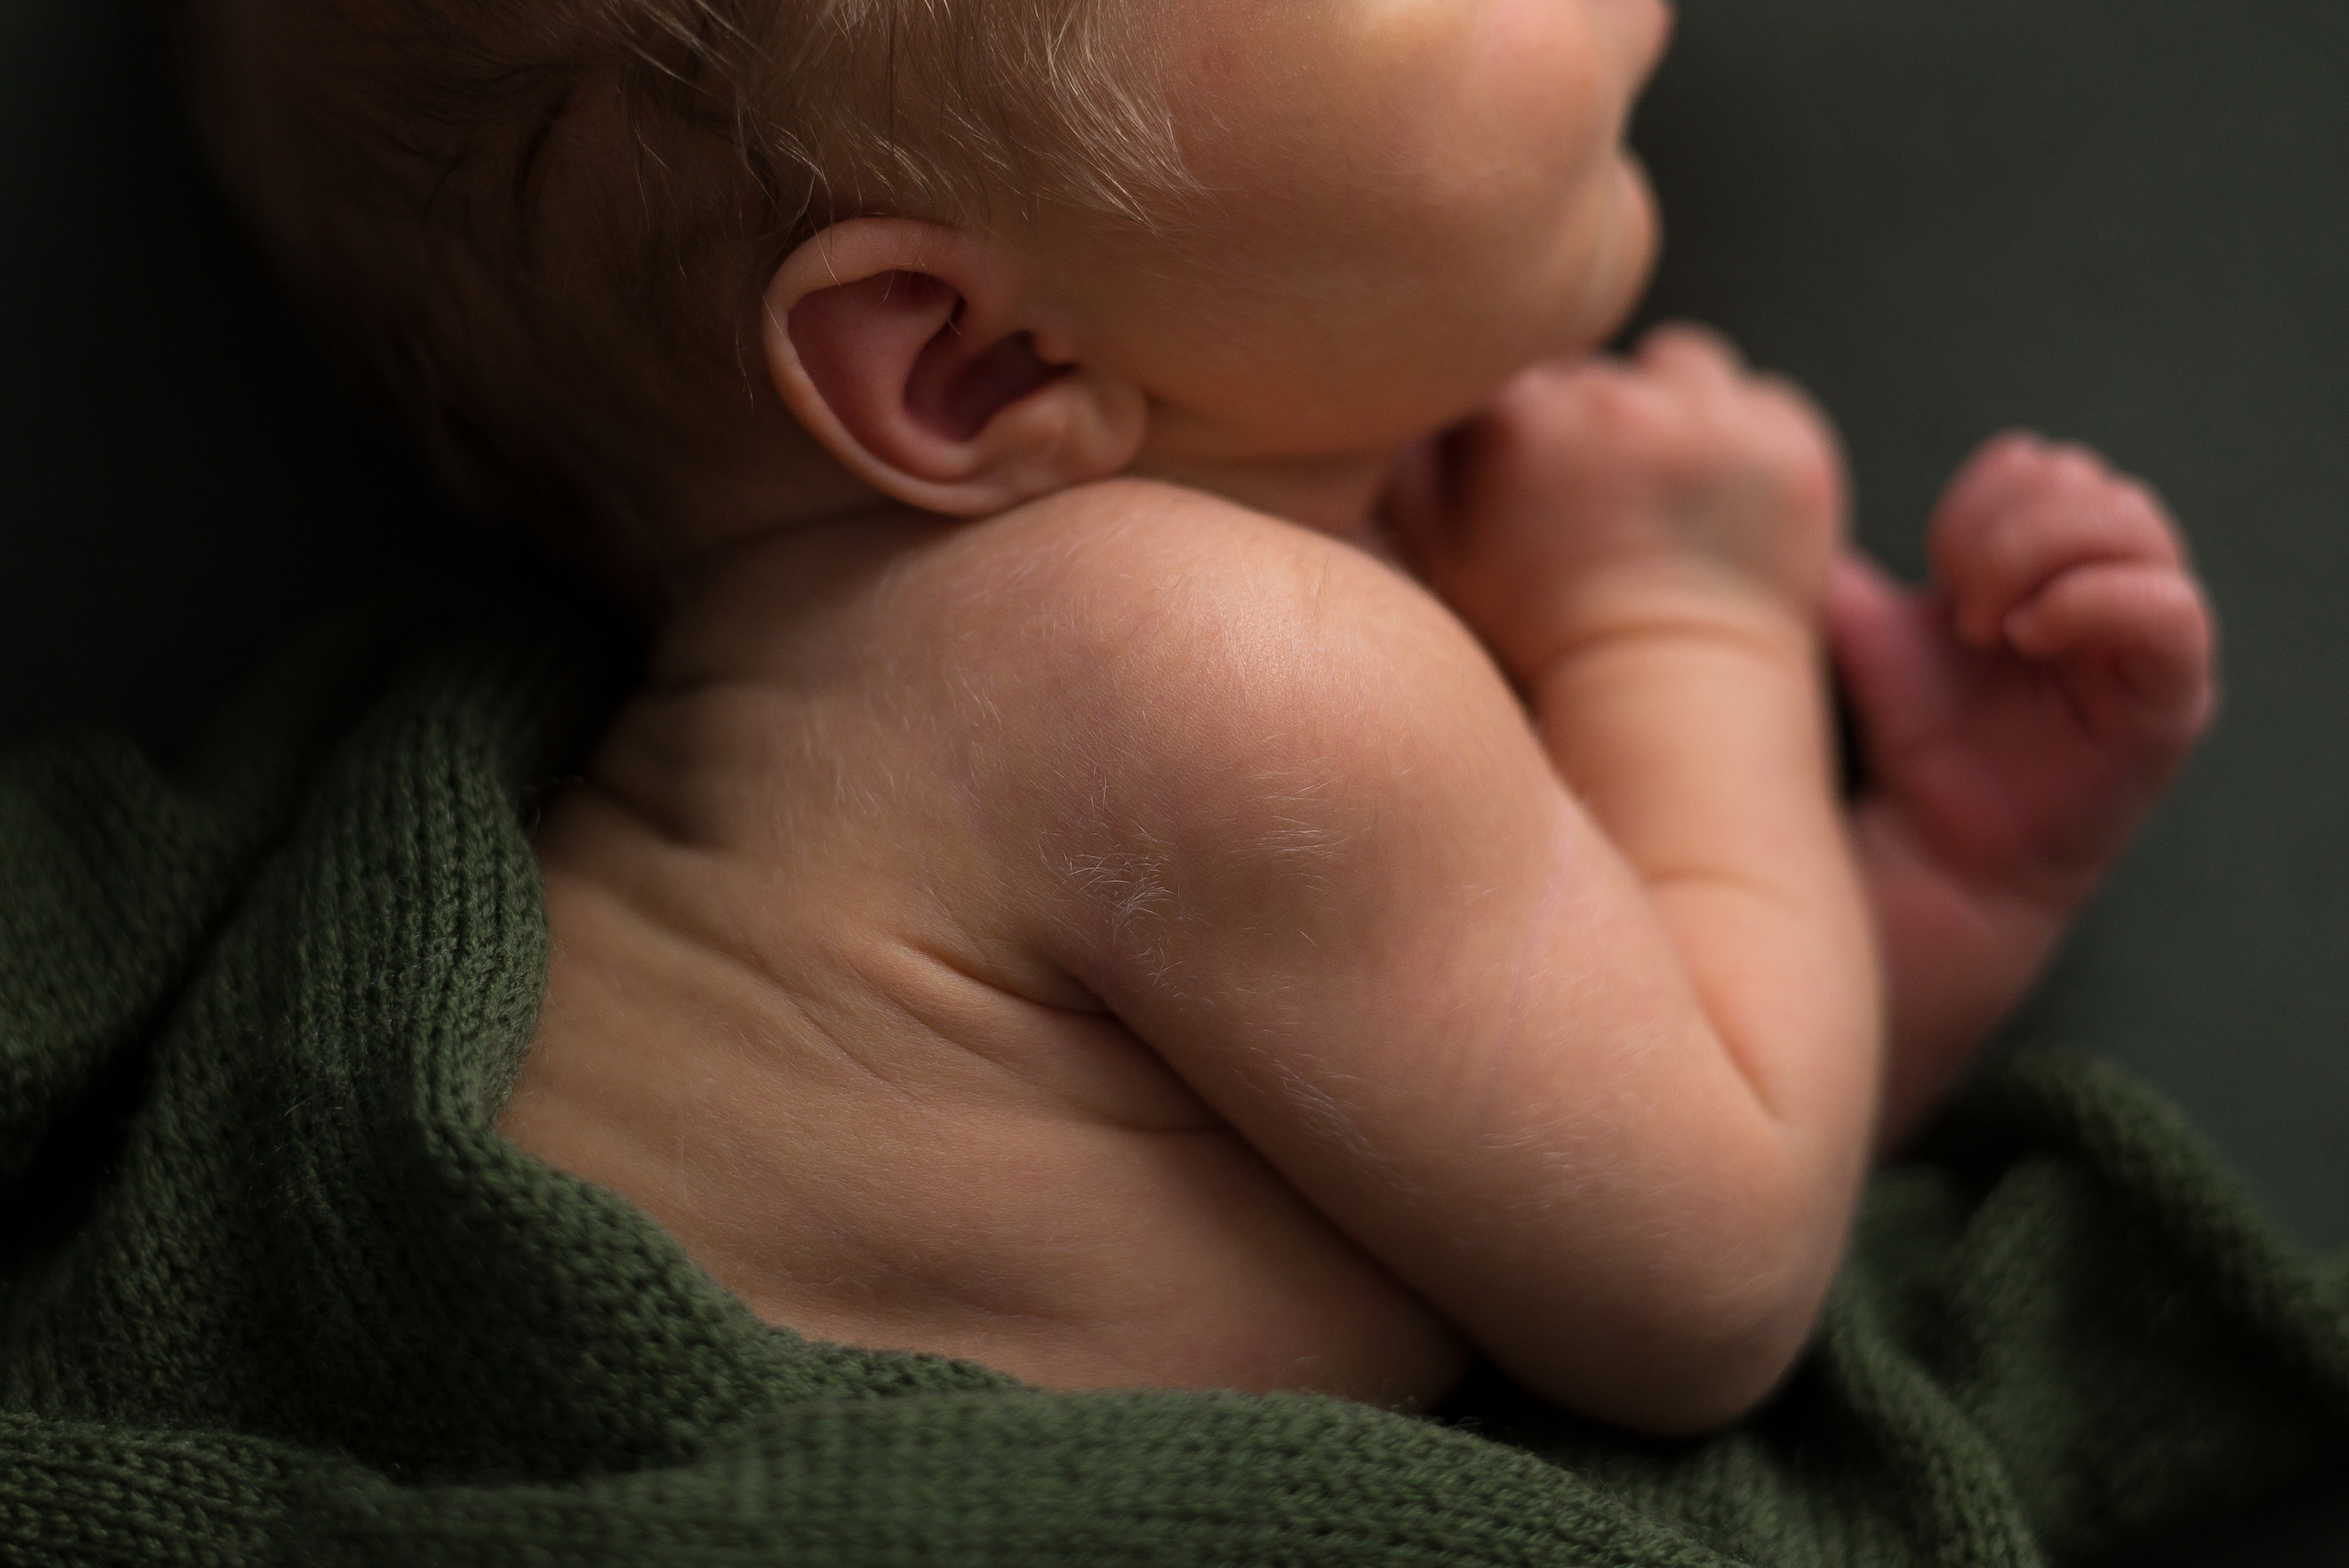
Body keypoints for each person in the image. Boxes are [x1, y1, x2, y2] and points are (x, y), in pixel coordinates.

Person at [175, 0, 2216, 1435]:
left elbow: (1602, 1155)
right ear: (967, 367)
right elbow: (1710, 1297)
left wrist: (1933, 884)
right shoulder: (1186, 662)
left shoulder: (967, 703)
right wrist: (1679, 625)